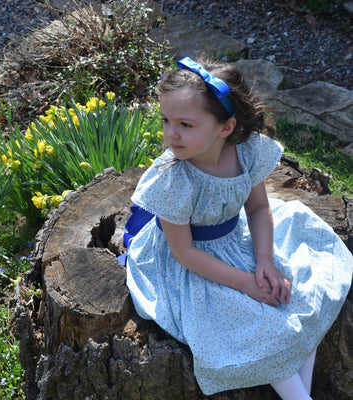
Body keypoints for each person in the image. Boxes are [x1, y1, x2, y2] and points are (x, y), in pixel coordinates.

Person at [124, 56, 353, 399]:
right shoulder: (173, 180)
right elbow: (183, 252)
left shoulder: (244, 152)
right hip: (193, 266)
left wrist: (265, 261)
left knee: (298, 298)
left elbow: (259, 208)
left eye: (185, 124)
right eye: (165, 120)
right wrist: (246, 282)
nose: (171, 133)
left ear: (226, 127)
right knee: (259, 328)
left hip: (240, 240)